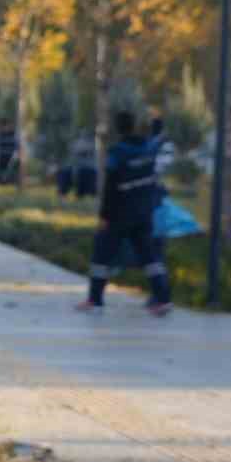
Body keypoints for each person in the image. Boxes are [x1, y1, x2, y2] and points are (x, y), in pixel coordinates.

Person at [77, 109, 171, 316]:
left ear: (117, 129)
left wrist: (104, 216)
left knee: (101, 256)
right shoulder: (147, 148)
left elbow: (111, 189)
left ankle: (95, 300)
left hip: (120, 215)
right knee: (150, 258)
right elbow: (158, 138)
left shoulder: (117, 153)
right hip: (144, 214)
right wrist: (157, 120)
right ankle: (163, 300)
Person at [0, 119, 19, 183]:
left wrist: (15, 155)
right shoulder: (0, 136)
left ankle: (6, 179)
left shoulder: (14, 135)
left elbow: (17, 148)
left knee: (12, 163)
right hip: (2, 156)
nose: (5, 128)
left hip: (11, 156)